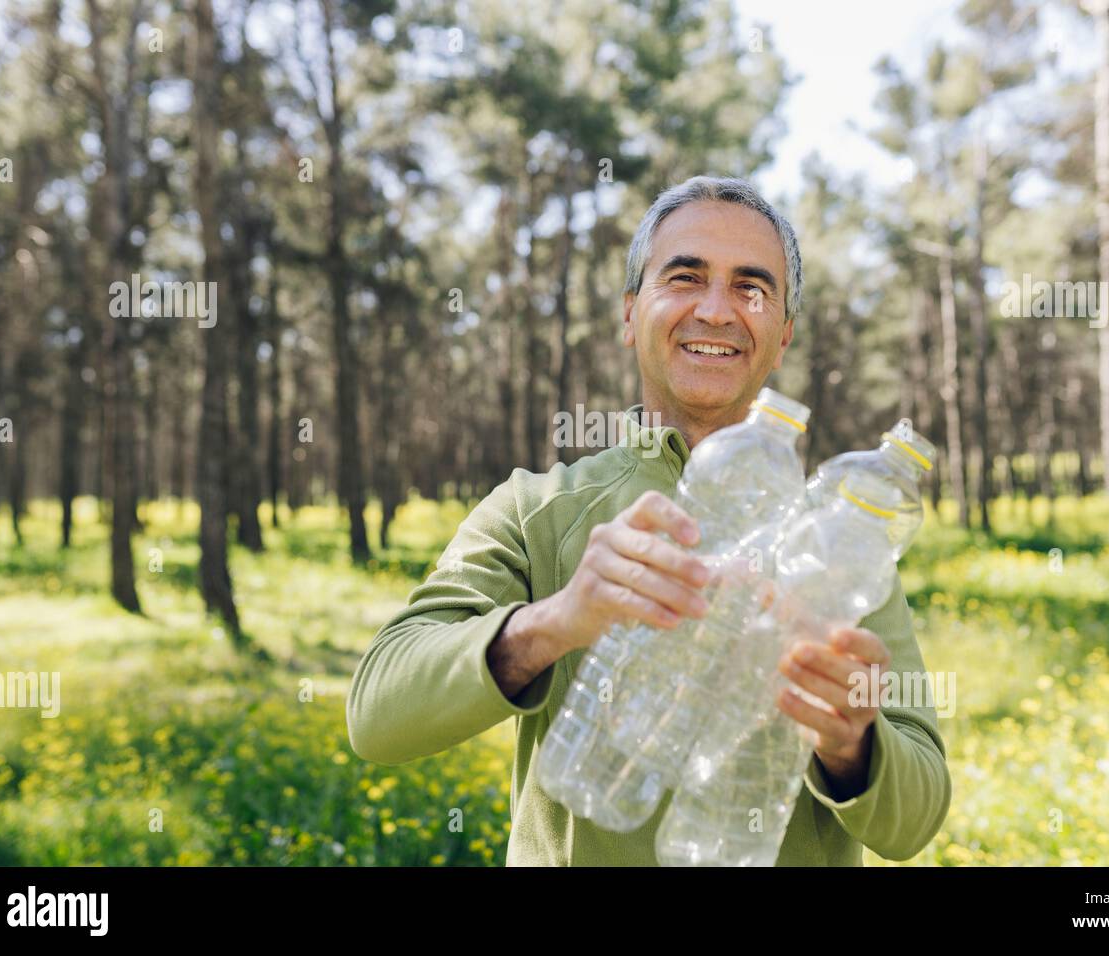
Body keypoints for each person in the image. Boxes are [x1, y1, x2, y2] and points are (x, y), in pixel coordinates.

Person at [346, 175, 952, 865]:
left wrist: (852, 743)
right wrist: (556, 622)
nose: (718, 311)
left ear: (782, 337)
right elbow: (376, 718)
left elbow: (917, 820)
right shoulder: (535, 509)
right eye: (686, 277)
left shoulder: (838, 543)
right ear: (631, 313)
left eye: (752, 288)